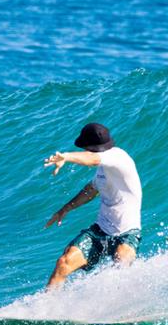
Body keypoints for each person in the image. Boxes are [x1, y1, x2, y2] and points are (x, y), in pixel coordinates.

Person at [43, 123, 142, 288]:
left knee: (121, 265)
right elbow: (91, 190)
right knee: (63, 263)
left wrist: (66, 156)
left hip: (127, 233)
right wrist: (65, 209)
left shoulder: (118, 157)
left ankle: (123, 307)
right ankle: (45, 307)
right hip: (99, 231)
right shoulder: (104, 168)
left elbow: (92, 160)